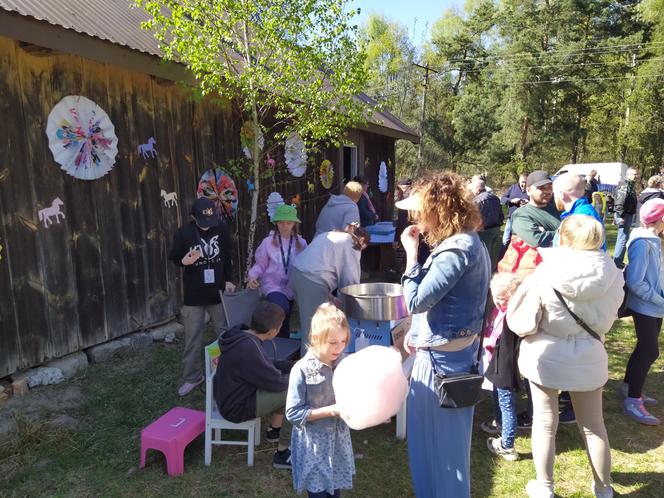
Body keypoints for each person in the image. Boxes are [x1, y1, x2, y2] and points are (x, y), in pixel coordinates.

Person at [507, 215, 624, 498]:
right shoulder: (613, 274)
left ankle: (545, 486)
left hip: (548, 352)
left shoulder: (546, 273)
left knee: (545, 422)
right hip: (589, 350)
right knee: (594, 426)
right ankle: (604, 488)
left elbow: (523, 322)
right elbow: (613, 313)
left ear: (563, 238)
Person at [398, 172, 490, 498]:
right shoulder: (468, 242)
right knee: (434, 450)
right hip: (450, 356)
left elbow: (416, 299)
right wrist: (419, 331)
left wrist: (411, 254)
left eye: (420, 212)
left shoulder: (455, 250)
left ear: (439, 210)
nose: (416, 221)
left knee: (442, 456)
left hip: (442, 365)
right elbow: (454, 303)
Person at [213, 301, 294, 469]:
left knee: (288, 385)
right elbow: (276, 382)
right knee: (293, 391)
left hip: (232, 396)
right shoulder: (249, 348)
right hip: (236, 406)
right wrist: (298, 376)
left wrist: (291, 366)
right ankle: (282, 455)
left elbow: (265, 365)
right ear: (273, 332)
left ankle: (275, 431)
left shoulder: (244, 336)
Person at [286, 303, 355, 497]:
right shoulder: (301, 369)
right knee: (318, 493)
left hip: (337, 443)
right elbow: (293, 413)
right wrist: (331, 411)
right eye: (333, 342)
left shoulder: (344, 363)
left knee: (335, 492)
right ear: (316, 339)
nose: (339, 347)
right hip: (314, 447)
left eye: (343, 341)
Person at [169, 197, 236, 397]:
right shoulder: (183, 233)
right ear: (193, 217)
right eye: (203, 222)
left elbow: (227, 257)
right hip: (194, 294)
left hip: (218, 292)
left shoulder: (221, 229)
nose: (207, 227)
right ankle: (192, 376)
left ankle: (226, 374)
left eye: (210, 222)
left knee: (225, 335)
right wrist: (184, 260)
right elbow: (174, 258)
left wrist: (229, 280)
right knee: (192, 338)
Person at [290, 223, 369, 355]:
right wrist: (355, 306)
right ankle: (311, 370)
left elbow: (321, 265)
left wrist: (329, 296)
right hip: (311, 280)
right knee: (317, 329)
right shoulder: (351, 243)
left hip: (298, 275)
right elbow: (350, 282)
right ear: (361, 241)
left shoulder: (332, 234)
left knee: (312, 324)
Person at [621, 198, 664, 426]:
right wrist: (659, 300)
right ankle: (633, 401)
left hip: (656, 305)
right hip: (646, 305)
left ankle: (629, 386)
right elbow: (635, 280)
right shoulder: (643, 242)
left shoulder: (656, 240)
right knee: (650, 351)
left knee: (644, 348)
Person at [247, 204, 308, 338]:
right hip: (272, 286)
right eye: (281, 223)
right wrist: (253, 276)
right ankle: (270, 342)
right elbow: (260, 264)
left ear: (294, 224)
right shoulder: (267, 242)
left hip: (293, 287)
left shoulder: (302, 243)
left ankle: (281, 347)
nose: (285, 226)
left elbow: (307, 266)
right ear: (276, 223)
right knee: (280, 310)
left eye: (288, 222)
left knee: (284, 320)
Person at [481, 272, 523, 462]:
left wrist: (485, 341)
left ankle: (508, 445)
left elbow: (500, 340)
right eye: (495, 298)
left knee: (506, 403)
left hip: (505, 365)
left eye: (502, 299)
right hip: (495, 363)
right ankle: (498, 424)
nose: (498, 302)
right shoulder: (498, 311)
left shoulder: (514, 316)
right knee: (497, 395)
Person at [499, 170, 560, 278]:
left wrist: (548, 233)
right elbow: (536, 240)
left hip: (554, 270)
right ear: (528, 190)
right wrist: (564, 232)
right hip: (529, 274)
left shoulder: (557, 208)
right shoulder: (521, 214)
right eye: (541, 188)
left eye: (549, 187)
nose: (547, 191)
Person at [553, 172, 606, 249]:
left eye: (554, 193)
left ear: (561, 194)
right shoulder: (580, 212)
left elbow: (580, 255)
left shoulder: (582, 218)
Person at [470, 175, 504, 270]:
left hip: (484, 231)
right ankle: (492, 269)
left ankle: (485, 272)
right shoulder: (495, 198)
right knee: (493, 253)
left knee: (484, 254)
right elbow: (501, 214)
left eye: (473, 189)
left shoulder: (477, 201)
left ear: (477, 188)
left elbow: (476, 218)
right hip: (496, 229)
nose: (472, 191)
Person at [613, 167, 639, 268]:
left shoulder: (630, 185)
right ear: (628, 175)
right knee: (622, 238)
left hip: (627, 214)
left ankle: (618, 261)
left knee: (624, 237)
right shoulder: (624, 185)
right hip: (624, 215)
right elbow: (619, 202)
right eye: (635, 174)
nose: (637, 176)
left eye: (637, 174)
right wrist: (620, 215)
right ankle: (617, 262)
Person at [500, 172, 529, 246]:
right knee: (506, 239)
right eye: (523, 182)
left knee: (520, 240)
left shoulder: (531, 190)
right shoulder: (513, 188)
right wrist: (511, 200)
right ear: (519, 181)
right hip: (511, 218)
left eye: (526, 183)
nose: (524, 185)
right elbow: (503, 199)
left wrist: (528, 202)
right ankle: (503, 253)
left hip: (525, 219)